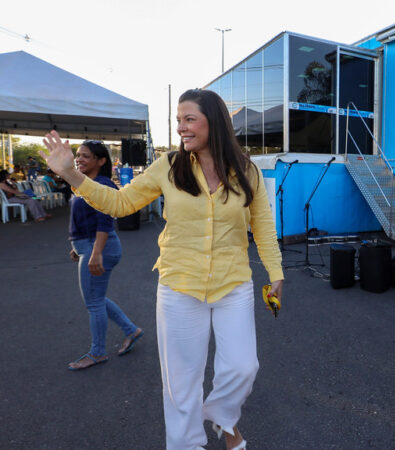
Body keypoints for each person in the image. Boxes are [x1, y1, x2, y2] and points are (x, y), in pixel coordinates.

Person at [42, 88, 284, 450]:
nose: (181, 128)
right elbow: (121, 203)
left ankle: (220, 417)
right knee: (181, 382)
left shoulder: (245, 169)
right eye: (178, 121)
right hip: (179, 285)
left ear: (213, 122)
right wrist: (72, 177)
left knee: (243, 367)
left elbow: (262, 224)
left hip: (233, 283)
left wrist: (276, 273)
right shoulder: (169, 166)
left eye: (189, 119)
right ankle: (186, 444)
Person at [67, 140, 143, 371]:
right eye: (78, 155)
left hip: (99, 246)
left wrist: (95, 252)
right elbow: (83, 219)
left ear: (101, 161)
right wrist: (76, 246)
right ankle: (131, 330)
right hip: (88, 245)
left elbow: (104, 220)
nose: (79, 159)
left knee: (93, 302)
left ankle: (98, 352)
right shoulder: (85, 184)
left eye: (85, 156)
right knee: (96, 298)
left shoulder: (102, 184)